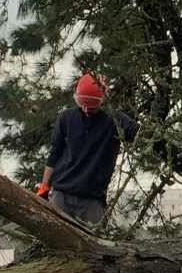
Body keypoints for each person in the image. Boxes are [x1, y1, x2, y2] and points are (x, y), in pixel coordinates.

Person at [37, 73, 140, 224]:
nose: (86, 110)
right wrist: (44, 186)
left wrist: (152, 132)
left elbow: (136, 131)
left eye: (91, 106)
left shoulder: (114, 120)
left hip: (92, 201)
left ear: (102, 100)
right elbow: (54, 153)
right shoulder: (66, 118)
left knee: (92, 238)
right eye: (82, 104)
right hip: (62, 195)